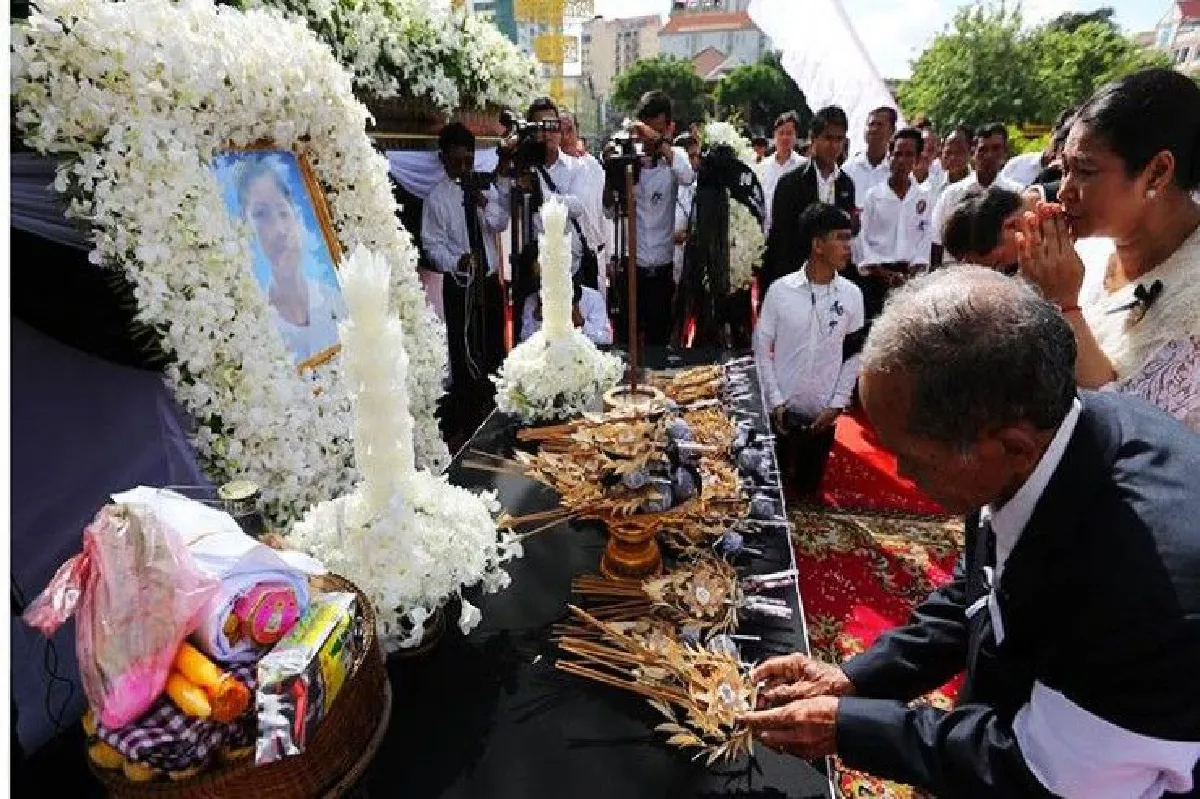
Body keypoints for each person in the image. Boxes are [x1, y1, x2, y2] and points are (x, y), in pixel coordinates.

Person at [740, 267, 1200, 798]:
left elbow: (1036, 775)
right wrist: (856, 679)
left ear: (1011, 444)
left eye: (913, 460)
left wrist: (848, 728)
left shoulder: (1147, 596)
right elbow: (978, 592)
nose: (904, 477)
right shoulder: (1042, 437)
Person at [1017, 67, 1200, 431]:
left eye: (1084, 172)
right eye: (1064, 169)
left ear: (1157, 173)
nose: (1065, 191)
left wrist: (1065, 305)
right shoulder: (1088, 253)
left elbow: (1131, 433)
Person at [754, 204, 865, 500]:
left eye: (849, 238)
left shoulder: (853, 296)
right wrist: (775, 402)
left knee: (807, 493)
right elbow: (762, 350)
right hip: (779, 416)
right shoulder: (781, 291)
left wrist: (836, 405)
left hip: (822, 420)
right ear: (817, 245)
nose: (847, 246)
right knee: (768, 493)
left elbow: (854, 355)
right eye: (840, 238)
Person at [422, 122, 509, 434]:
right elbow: (432, 246)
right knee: (464, 350)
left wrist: (483, 202)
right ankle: (469, 421)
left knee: (494, 347)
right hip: (461, 285)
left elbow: (501, 222)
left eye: (467, 162)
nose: (462, 168)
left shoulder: (485, 188)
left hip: (487, 283)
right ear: (444, 160)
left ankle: (498, 412)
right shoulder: (437, 198)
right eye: (455, 162)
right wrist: (456, 260)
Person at [236, 157, 346, 366]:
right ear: (245, 227)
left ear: (296, 215)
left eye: (283, 212)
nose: (279, 230)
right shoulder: (254, 329)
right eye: (261, 215)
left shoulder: (336, 301)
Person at [614, 89, 695, 348]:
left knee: (658, 344)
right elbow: (608, 210)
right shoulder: (627, 159)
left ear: (669, 128)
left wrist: (660, 143)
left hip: (661, 271)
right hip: (631, 269)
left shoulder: (674, 160)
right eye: (645, 129)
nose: (648, 138)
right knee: (627, 345)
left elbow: (687, 175)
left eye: (657, 130)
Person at [760, 105, 857, 297]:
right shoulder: (790, 184)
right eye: (828, 138)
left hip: (833, 286)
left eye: (839, 139)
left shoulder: (846, 185)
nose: (834, 145)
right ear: (813, 139)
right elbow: (781, 242)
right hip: (796, 283)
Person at [857, 127, 933, 320]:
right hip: (877, 277)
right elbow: (862, 238)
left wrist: (913, 273)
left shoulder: (923, 197)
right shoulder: (874, 196)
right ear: (889, 156)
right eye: (897, 154)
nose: (902, 161)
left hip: (910, 278)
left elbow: (924, 238)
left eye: (909, 155)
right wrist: (883, 273)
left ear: (916, 159)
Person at [931, 123, 1022, 269]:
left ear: (1005, 153)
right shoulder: (951, 194)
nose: (989, 155)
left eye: (996, 149)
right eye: (983, 149)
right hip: (955, 273)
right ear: (973, 152)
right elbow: (936, 243)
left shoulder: (1017, 194)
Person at [844, 107, 898, 263]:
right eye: (870, 124)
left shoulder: (896, 173)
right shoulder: (848, 169)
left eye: (879, 125)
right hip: (851, 258)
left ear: (892, 131)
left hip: (885, 259)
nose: (873, 129)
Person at [519, 275, 612, 346]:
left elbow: (605, 338)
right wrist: (538, 319)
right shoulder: (532, 301)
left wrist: (582, 323)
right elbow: (525, 339)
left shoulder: (593, 298)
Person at [1001, 106, 1076, 188]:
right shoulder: (1017, 165)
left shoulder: (1075, 177)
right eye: (1061, 139)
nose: (1062, 148)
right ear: (1053, 134)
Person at [758, 111, 805, 233]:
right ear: (774, 135)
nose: (785, 137)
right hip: (767, 233)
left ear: (796, 136)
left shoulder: (804, 166)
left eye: (789, 133)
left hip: (794, 234)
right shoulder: (762, 167)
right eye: (781, 133)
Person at [672, 133, 701, 285]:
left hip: (690, 262)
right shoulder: (668, 184)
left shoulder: (700, 187)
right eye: (691, 156)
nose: (696, 161)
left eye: (698, 155)